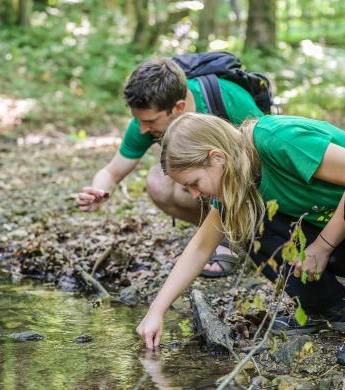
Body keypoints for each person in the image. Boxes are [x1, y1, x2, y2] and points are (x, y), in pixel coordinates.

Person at [136, 112, 345, 366]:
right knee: (246, 217)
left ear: (216, 157)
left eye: (193, 183)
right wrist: (156, 311)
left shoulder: (277, 139)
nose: (194, 195)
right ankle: (330, 310)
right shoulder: (237, 176)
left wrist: (322, 246)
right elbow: (201, 246)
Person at [76, 57, 265, 277]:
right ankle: (221, 237)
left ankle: (244, 230)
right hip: (211, 184)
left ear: (179, 107)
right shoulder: (145, 120)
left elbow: (264, 159)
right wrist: (98, 192)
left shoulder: (228, 98)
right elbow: (111, 171)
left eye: (150, 121)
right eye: (139, 121)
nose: (143, 129)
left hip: (246, 178)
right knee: (159, 182)